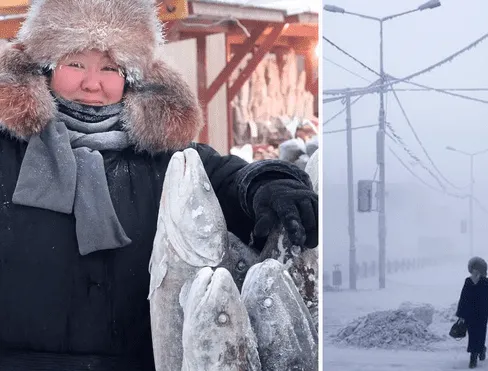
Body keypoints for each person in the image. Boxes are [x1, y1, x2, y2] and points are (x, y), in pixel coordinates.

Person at [0, 0, 318, 370]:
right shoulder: (8, 151)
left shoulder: (163, 157)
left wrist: (269, 184)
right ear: (46, 66)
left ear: (131, 77)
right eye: (75, 64)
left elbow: (229, 178)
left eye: (110, 68)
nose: (92, 83)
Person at [455, 256, 488, 369]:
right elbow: (463, 298)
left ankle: (481, 350)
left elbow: (486, 295)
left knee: (480, 334)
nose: (475, 271)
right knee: (472, 335)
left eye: (478, 269)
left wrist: (478, 283)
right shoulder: (468, 281)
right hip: (469, 314)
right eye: (474, 269)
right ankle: (473, 357)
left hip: (481, 314)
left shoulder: (487, 282)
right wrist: (461, 314)